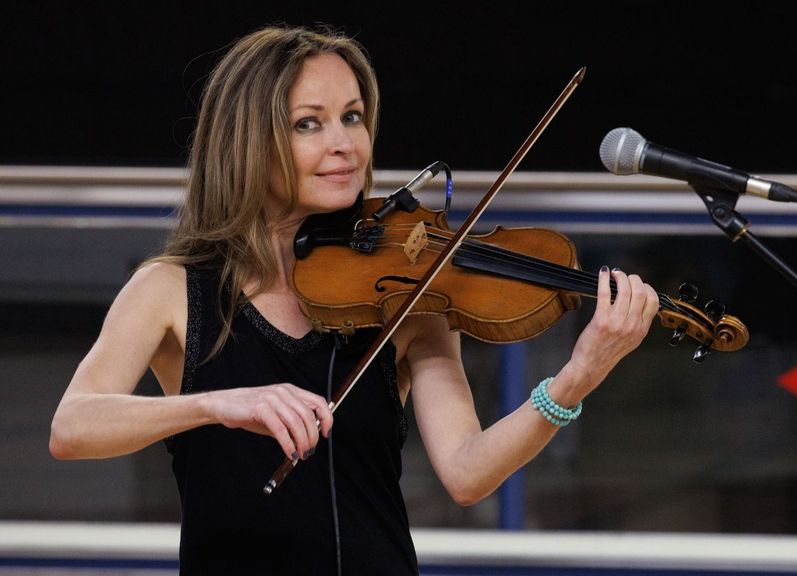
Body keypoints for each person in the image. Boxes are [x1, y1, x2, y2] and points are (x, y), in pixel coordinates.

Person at [49, 24, 659, 575]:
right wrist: (217, 405)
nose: (344, 143)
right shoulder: (173, 289)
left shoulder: (410, 291)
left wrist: (577, 377)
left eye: (353, 117)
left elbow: (468, 472)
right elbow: (72, 426)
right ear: (247, 142)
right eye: (308, 123)